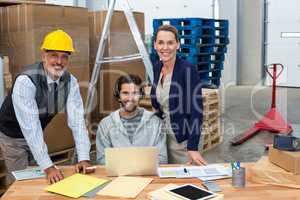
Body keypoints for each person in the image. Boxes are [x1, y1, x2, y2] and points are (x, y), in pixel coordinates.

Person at [0, 29, 91, 185]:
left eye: (64, 57)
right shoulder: (26, 81)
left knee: (41, 181)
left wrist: (84, 157)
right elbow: (31, 127)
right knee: (21, 182)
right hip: (12, 136)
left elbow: (77, 122)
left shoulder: (71, 82)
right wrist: (48, 167)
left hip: (36, 134)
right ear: (44, 56)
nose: (59, 61)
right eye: (54, 55)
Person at [151, 25, 207, 165]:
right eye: (161, 42)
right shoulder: (156, 68)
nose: (165, 47)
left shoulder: (187, 70)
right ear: (155, 45)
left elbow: (197, 111)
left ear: (178, 44)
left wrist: (192, 147)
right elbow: (157, 103)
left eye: (170, 42)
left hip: (184, 140)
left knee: (185, 181)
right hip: (164, 138)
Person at [96, 74, 167, 164]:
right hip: (117, 177)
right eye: (125, 93)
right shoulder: (105, 125)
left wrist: (133, 165)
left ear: (141, 95)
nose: (130, 98)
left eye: (135, 93)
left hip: (148, 176)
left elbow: (163, 159)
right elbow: (102, 160)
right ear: (118, 95)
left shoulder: (156, 123)